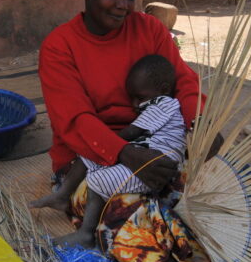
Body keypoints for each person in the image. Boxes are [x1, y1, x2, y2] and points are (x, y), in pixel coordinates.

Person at [36, 0, 222, 262]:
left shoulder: (150, 30)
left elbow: (183, 81)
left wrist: (198, 124)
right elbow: (74, 121)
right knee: (119, 210)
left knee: (194, 192)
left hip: (153, 145)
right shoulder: (60, 47)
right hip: (88, 160)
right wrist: (128, 154)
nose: (123, 5)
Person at [31, 54, 186, 249]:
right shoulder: (154, 102)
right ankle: (62, 195)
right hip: (141, 154)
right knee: (90, 155)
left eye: (140, 98)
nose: (134, 105)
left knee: (98, 179)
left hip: (154, 168)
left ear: (163, 89)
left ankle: (86, 233)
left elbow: (131, 132)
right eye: (132, 98)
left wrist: (109, 145)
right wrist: (103, 149)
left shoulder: (165, 104)